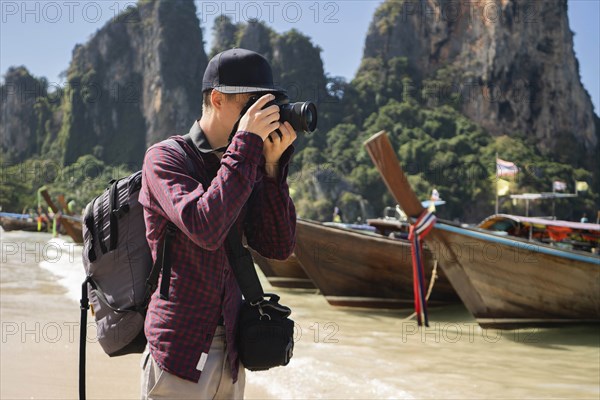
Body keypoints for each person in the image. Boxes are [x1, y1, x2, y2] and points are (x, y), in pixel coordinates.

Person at [138, 48, 297, 399]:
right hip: (178, 351)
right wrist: (246, 146)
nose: (262, 114)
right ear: (217, 99)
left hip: (235, 349)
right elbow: (206, 227)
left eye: (268, 104)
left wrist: (271, 171)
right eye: (253, 103)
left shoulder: (245, 163)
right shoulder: (166, 158)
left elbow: (279, 246)